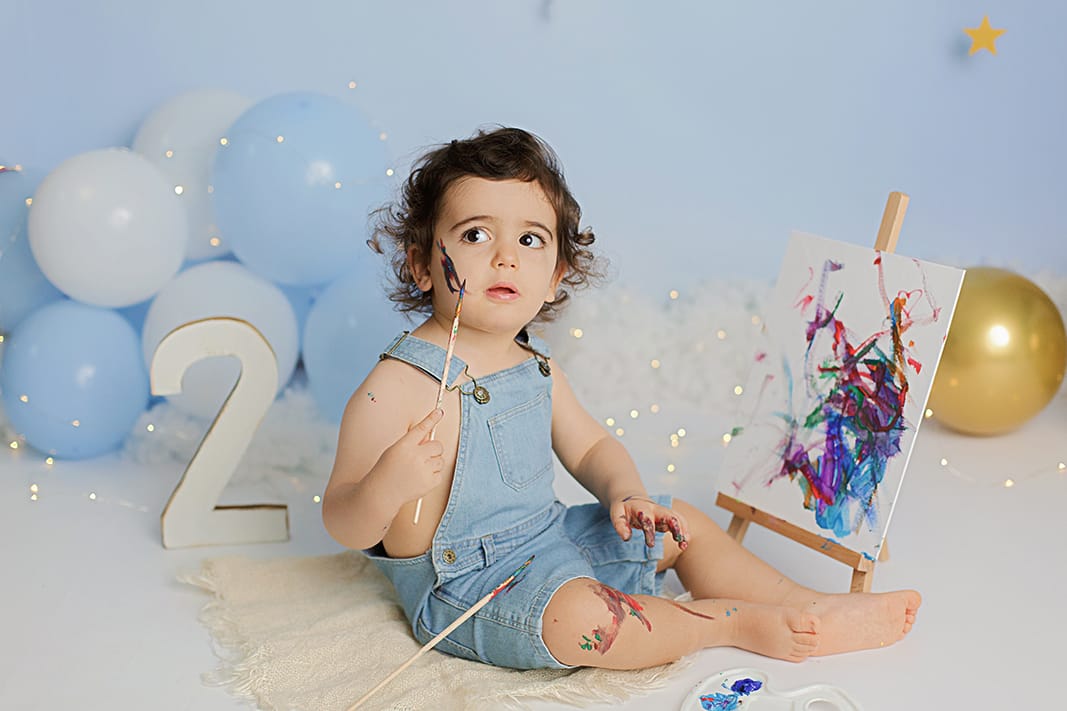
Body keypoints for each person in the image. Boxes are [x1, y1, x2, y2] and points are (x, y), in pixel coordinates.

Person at [322, 126, 920, 671]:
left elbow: (589, 448)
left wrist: (625, 493)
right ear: (422, 265)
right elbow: (341, 518)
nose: (506, 256)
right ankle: (726, 622)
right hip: (467, 589)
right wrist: (387, 486)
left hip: (551, 539)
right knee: (589, 623)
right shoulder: (397, 385)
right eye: (475, 235)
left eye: (530, 239)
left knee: (680, 524)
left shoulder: (535, 365)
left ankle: (807, 604)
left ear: (555, 277)